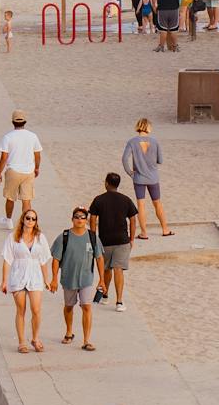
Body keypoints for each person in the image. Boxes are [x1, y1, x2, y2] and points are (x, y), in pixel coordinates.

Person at [0, 207, 53, 353]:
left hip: (35, 276)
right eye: (28, 218)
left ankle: (35, 338)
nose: (30, 221)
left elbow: (43, 260)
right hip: (18, 275)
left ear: (36, 222)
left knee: (36, 309)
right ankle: (22, 342)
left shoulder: (41, 237)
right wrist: (4, 281)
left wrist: (47, 279)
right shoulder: (13, 237)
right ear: (23, 219)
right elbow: (7, 260)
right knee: (21, 309)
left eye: (33, 219)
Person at [87, 172, 140, 311]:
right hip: (122, 240)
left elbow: (92, 218)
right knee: (118, 270)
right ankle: (119, 302)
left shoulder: (99, 199)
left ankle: (105, 295)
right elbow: (133, 219)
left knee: (106, 269)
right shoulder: (126, 199)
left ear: (106, 183)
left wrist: (93, 237)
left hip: (104, 240)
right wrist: (132, 238)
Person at [53, 207, 101, 350]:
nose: (80, 220)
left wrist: (102, 280)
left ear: (86, 220)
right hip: (68, 279)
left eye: (82, 217)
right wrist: (54, 279)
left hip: (86, 279)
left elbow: (99, 258)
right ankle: (69, 331)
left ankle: (86, 340)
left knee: (86, 307)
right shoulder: (64, 236)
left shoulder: (92, 237)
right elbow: (56, 259)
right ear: (72, 219)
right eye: (77, 217)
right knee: (69, 307)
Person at [121, 118, 172, 237]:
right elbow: (160, 160)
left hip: (139, 178)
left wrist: (130, 172)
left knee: (141, 205)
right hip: (153, 177)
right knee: (157, 203)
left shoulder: (132, 142)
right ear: (148, 127)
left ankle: (144, 232)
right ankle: (165, 229)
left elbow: (124, 159)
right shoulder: (154, 141)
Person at [0, 109, 42, 228]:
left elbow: (4, 157)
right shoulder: (32, 136)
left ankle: (8, 220)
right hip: (29, 171)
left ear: (12, 122)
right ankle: (28, 223)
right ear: (25, 122)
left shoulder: (8, 137)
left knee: (10, 197)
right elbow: (37, 154)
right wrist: (36, 168)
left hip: (13, 171)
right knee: (26, 199)